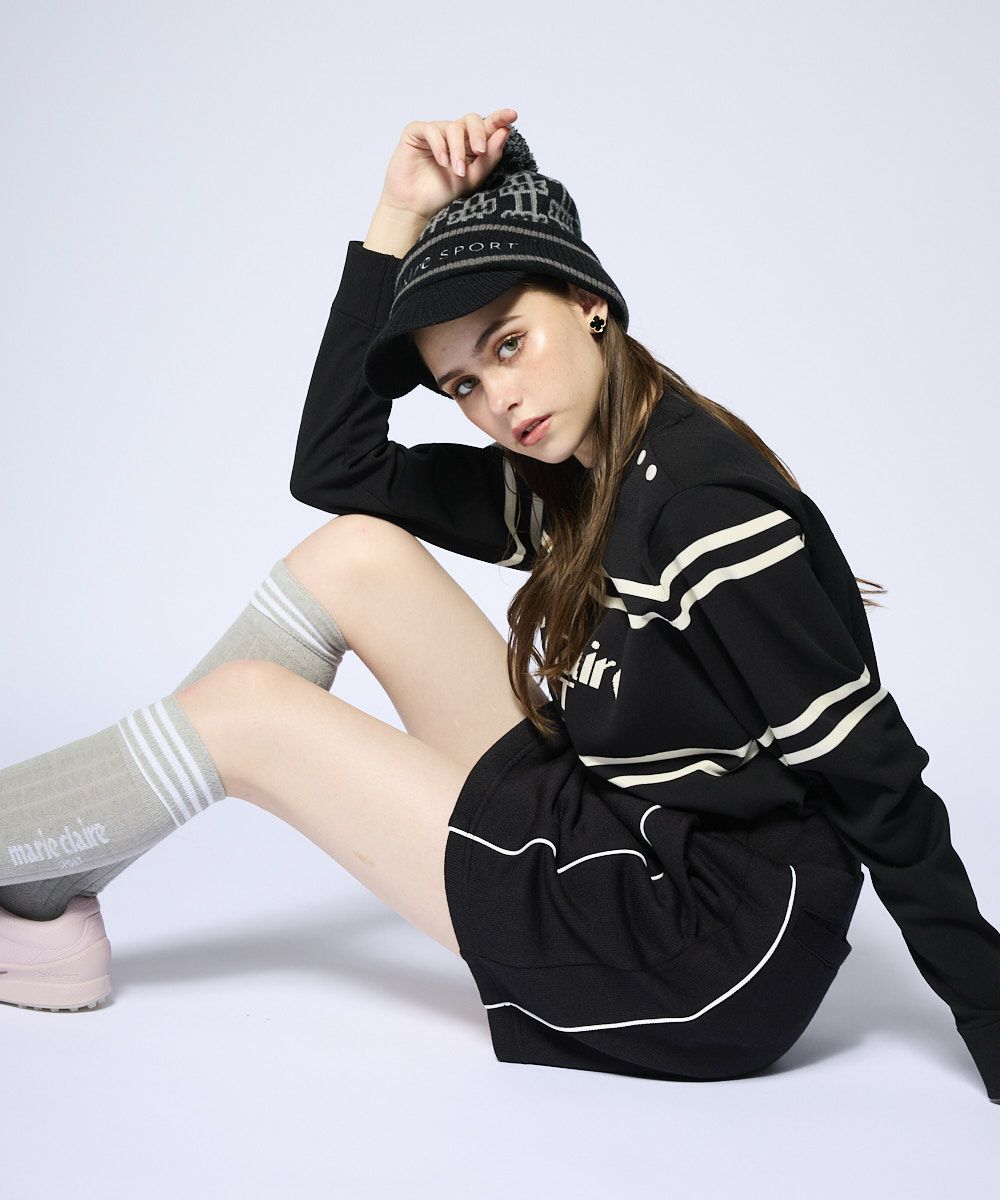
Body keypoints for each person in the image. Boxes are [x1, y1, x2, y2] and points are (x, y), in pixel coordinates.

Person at [1, 109, 998, 1102]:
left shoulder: (702, 512)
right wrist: (395, 215)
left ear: (589, 301)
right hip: (622, 829)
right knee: (355, 554)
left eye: (510, 344)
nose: (499, 404)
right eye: (464, 384)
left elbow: (879, 788)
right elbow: (335, 468)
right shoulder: (577, 477)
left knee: (248, 715)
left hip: (702, 949)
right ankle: (40, 897)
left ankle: (31, 876)